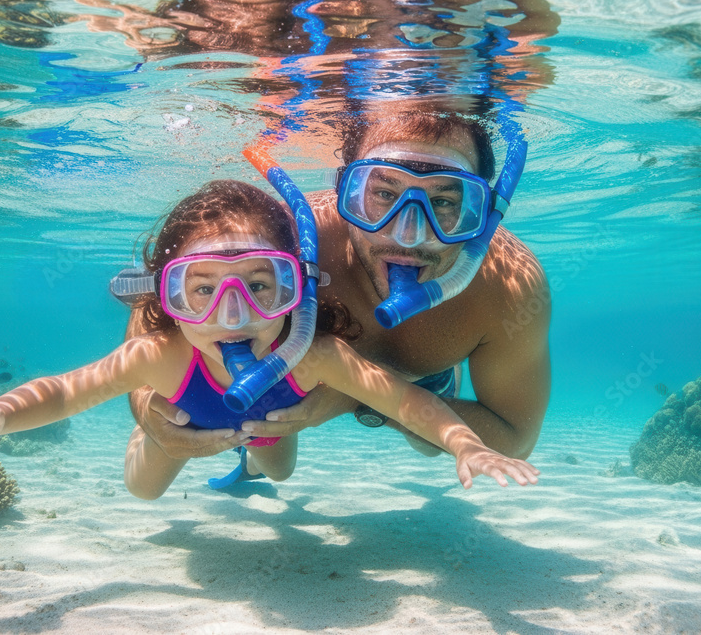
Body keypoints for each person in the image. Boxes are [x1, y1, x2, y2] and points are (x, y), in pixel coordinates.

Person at [0, 180, 539, 498]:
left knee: (281, 473)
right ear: (166, 297)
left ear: (300, 288)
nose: (232, 315)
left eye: (261, 288)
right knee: (144, 489)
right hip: (183, 416)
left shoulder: (316, 353)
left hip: (272, 423)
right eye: (201, 289)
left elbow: (404, 400)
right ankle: (168, 438)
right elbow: (66, 392)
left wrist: (462, 444)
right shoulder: (160, 354)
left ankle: (247, 464)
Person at [127, 108, 551, 465]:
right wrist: (145, 408)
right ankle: (255, 465)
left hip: (420, 377)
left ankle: (436, 380)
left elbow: (514, 440)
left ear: (481, 214)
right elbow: (164, 302)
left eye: (443, 201)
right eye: (383, 193)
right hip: (286, 382)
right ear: (346, 194)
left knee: (429, 443)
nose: (407, 235)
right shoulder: (288, 236)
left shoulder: (509, 289)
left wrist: (355, 400)